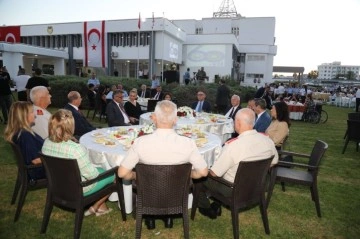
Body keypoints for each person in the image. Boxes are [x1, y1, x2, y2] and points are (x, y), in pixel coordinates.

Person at [118, 100, 208, 229]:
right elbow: (203, 172)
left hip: (149, 191)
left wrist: (135, 176)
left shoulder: (140, 142)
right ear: (175, 120)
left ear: (153, 118)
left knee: (145, 182)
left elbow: (122, 173)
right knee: (169, 184)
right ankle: (169, 218)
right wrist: (187, 176)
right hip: (176, 193)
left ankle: (150, 218)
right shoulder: (188, 143)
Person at [195, 108, 278, 219]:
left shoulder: (233, 146)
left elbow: (215, 173)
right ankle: (217, 203)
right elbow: (274, 162)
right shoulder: (267, 141)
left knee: (197, 176)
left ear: (238, 123)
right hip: (259, 185)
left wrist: (201, 171)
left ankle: (206, 208)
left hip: (233, 189)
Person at [42, 109, 113, 216]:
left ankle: (101, 208)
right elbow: (92, 176)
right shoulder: (75, 149)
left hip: (58, 185)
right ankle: (96, 206)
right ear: (70, 126)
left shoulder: (46, 143)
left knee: (99, 169)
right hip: (79, 188)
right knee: (115, 173)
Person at [4, 101, 45, 180]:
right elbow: (35, 161)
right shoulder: (25, 136)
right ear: (23, 115)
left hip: (34, 169)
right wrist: (55, 157)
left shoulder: (19, 132)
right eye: (32, 112)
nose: (35, 115)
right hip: (38, 171)